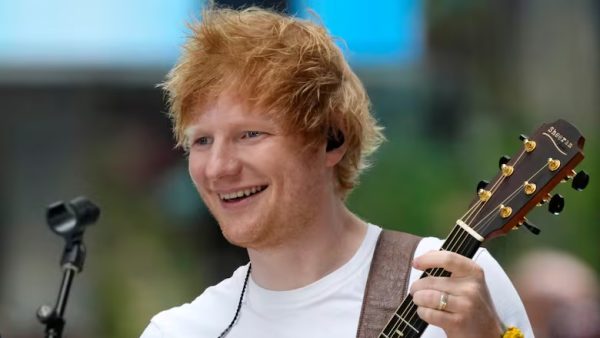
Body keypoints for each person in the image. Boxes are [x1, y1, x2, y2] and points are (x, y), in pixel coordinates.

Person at [141, 5, 533, 338]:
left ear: (332, 139)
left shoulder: (453, 281)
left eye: (250, 134)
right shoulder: (182, 330)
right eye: (202, 141)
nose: (219, 167)